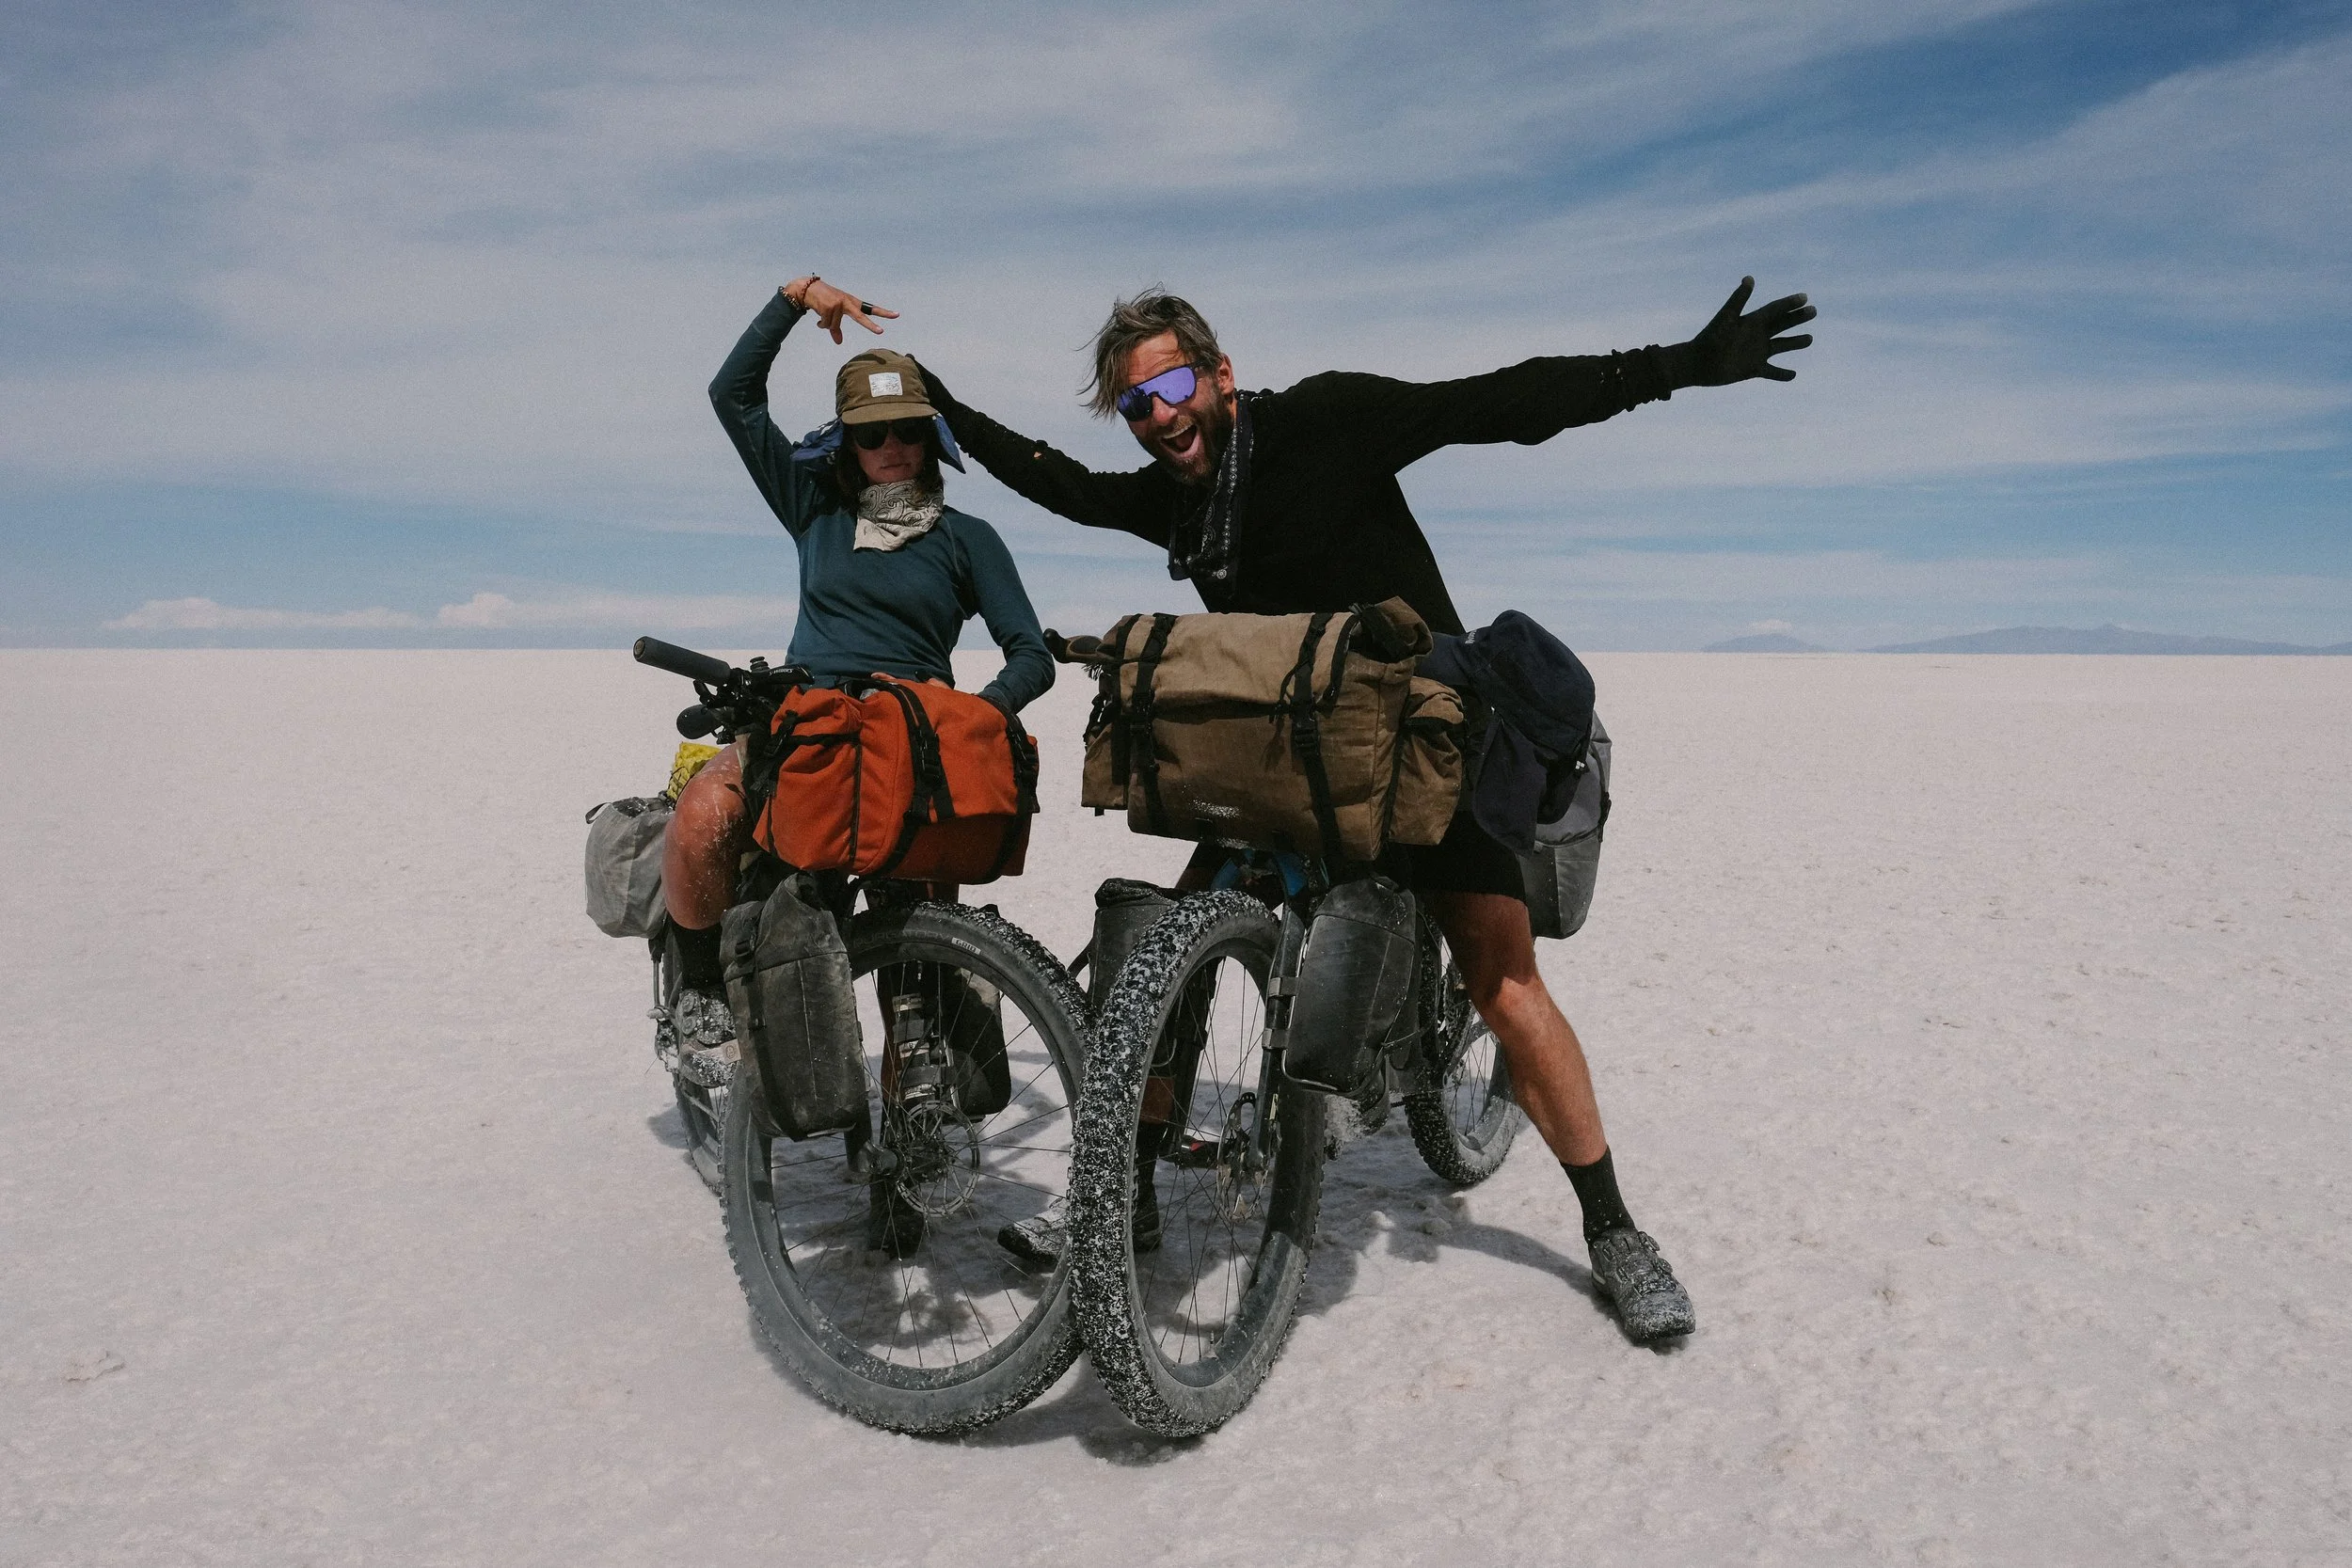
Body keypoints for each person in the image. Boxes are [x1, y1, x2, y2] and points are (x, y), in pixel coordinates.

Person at [907, 277, 1818, 1343]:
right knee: (1163, 950)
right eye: (1135, 402)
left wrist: (1670, 369)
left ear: (1220, 374)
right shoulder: (1181, 504)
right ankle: (1129, 1193)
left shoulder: (1324, 420)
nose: (1158, 413)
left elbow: (1497, 403)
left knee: (1505, 980)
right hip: (1293, 751)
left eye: (1172, 383)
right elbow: (1057, 483)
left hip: (1425, 734)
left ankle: (1614, 1227)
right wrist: (941, 407)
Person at [657, 275, 1055, 1064]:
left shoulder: (966, 537)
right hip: (805, 731)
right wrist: (796, 299)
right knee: (704, 818)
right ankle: (700, 997)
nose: (892, 448)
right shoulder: (814, 508)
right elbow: (732, 395)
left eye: (907, 428)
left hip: (910, 748)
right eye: (873, 435)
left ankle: (916, 1115)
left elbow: (1031, 654)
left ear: (929, 435)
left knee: (918, 955)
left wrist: (974, 716)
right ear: (847, 442)